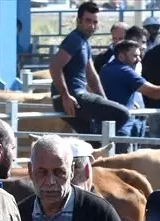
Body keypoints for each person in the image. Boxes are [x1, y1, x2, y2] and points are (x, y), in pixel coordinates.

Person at [49, 2, 130, 136]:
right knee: (122, 114)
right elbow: (54, 66)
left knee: (93, 139)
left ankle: (103, 148)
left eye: (95, 22)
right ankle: (109, 143)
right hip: (72, 98)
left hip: (75, 98)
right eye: (88, 21)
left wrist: (104, 100)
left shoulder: (84, 42)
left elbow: (92, 76)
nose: (91, 26)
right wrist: (65, 96)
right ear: (79, 21)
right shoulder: (74, 39)